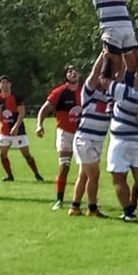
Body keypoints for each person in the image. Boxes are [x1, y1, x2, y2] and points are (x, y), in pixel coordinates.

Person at [105, 56, 138, 223]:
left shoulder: (126, 93)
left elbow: (104, 81)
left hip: (122, 140)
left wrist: (108, 59)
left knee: (118, 178)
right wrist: (137, 55)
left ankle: (129, 212)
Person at [67, 52, 114, 218]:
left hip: (98, 140)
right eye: (103, 77)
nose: (104, 80)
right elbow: (94, 74)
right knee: (94, 174)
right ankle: (92, 208)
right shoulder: (89, 92)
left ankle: (74, 206)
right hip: (85, 139)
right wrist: (104, 54)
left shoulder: (111, 96)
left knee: (84, 175)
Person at [35, 64, 82, 209]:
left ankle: (93, 200)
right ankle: (59, 199)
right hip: (65, 133)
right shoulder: (59, 92)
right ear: (66, 76)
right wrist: (39, 124)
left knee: (87, 168)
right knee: (64, 166)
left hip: (83, 133)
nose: (73, 73)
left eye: (75, 71)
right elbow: (44, 108)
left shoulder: (86, 91)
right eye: (69, 71)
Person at [0, 76, 44, 183]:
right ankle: (9, 175)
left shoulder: (17, 97)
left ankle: (37, 174)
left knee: (26, 154)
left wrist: (16, 127)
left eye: (7, 82)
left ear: (10, 84)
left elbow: (22, 113)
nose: (5, 84)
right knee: (2, 154)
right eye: (2, 82)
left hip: (18, 131)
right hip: (4, 131)